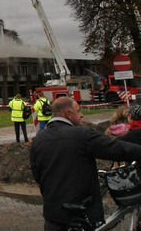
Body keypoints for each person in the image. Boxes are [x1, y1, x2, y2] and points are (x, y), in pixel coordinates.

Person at [31, 97, 141, 229]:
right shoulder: (81, 135)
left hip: (53, 215)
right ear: (68, 114)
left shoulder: (39, 139)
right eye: (78, 111)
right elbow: (117, 148)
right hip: (80, 215)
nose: (82, 115)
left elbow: (37, 174)